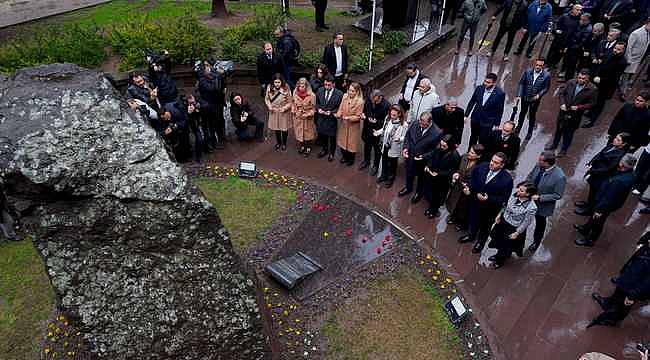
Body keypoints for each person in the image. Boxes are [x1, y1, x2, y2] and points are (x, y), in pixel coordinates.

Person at [589, 231, 650, 327]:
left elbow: (647, 283)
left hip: (639, 281)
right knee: (621, 287)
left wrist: (633, 295)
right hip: (640, 262)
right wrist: (642, 241)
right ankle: (609, 303)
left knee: (625, 303)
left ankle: (614, 320)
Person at [574, 154, 637, 247]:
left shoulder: (619, 181)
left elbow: (609, 198)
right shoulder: (629, 174)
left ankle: (591, 239)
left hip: (605, 205)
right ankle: (586, 229)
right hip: (608, 201)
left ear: (622, 164)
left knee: (598, 221)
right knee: (594, 217)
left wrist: (599, 210)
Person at [459, 152, 514, 253]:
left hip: (490, 209)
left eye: (496, 162)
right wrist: (469, 188)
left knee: (485, 227)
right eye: (492, 160)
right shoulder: (482, 166)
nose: (492, 163)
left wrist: (489, 198)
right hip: (475, 202)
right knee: (473, 220)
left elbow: (504, 199)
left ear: (502, 165)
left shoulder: (507, 180)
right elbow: (473, 179)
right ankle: (471, 235)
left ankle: (480, 242)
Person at [574, 132, 631, 216]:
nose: (615, 140)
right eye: (616, 138)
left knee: (595, 194)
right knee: (592, 191)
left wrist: (593, 170)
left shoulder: (620, 155)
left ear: (623, 144)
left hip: (601, 177)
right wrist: (591, 162)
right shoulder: (611, 145)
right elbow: (600, 154)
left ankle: (589, 210)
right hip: (595, 172)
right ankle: (588, 203)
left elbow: (608, 169)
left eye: (618, 140)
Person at [546, 70, 597, 157]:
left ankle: (564, 150)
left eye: (583, 79)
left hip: (575, 116)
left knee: (568, 133)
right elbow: (562, 94)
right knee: (559, 130)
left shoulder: (592, 89)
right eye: (579, 78)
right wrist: (562, 104)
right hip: (563, 112)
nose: (580, 80)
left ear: (588, 78)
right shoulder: (571, 82)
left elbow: (592, 104)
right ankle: (554, 145)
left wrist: (579, 107)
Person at [487, 182, 537, 268]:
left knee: (506, 245)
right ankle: (498, 254)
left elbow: (526, 222)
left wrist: (517, 233)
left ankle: (500, 261)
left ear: (527, 194)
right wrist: (499, 215)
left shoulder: (532, 207)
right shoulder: (514, 195)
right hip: (503, 222)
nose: (518, 191)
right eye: (519, 188)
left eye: (521, 190)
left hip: (512, 228)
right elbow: (505, 206)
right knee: (498, 240)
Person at [525, 151, 567, 252]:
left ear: (547, 163)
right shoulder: (538, 166)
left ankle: (536, 242)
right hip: (528, 199)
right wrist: (526, 188)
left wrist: (540, 198)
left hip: (542, 206)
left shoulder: (560, 177)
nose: (538, 161)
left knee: (540, 224)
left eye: (540, 160)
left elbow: (557, 195)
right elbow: (530, 176)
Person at [398, 112, 441, 203]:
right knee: (409, 173)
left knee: (421, 178)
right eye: (420, 122)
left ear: (430, 122)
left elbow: (435, 150)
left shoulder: (437, 133)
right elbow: (408, 137)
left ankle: (418, 193)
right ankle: (408, 188)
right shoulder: (415, 123)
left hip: (423, 161)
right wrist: (406, 148)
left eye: (423, 124)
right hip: (410, 156)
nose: (421, 125)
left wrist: (424, 156)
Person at [584, 41, 628, 128]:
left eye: (618, 49)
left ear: (623, 50)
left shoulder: (622, 62)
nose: (615, 50)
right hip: (598, 81)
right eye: (615, 48)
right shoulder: (609, 54)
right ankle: (590, 112)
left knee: (600, 103)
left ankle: (592, 120)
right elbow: (601, 65)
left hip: (606, 86)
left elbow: (614, 77)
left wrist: (601, 80)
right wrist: (596, 75)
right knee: (593, 98)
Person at [447, 144, 485, 231]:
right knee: (454, 202)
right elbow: (456, 168)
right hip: (458, 187)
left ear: (478, 156)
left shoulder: (480, 168)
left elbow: (479, 182)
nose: (469, 154)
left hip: (467, 191)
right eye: (470, 151)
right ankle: (453, 216)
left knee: (463, 208)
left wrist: (469, 187)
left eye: (472, 153)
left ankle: (461, 223)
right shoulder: (464, 157)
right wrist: (455, 173)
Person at [423, 135, 461, 218]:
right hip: (433, 176)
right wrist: (428, 166)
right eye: (441, 145)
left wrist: (439, 173)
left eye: (444, 146)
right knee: (431, 194)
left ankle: (434, 211)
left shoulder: (455, 156)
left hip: (443, 181)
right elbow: (431, 158)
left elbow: (452, 171)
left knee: (438, 197)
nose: (442, 147)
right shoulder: (438, 149)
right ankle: (430, 208)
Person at [465, 73, 506, 147]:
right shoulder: (479, 88)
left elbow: (499, 110)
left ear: (494, 83)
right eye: (485, 81)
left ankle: (479, 155)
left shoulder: (500, 94)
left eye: (488, 82)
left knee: (483, 140)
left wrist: (497, 124)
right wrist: (466, 115)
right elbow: (472, 101)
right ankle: (470, 153)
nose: (485, 84)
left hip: (487, 122)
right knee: (473, 137)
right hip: (475, 119)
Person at [515, 58, 551, 139]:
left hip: (535, 99)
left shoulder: (547, 75)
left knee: (532, 115)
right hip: (525, 97)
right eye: (537, 65)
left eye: (540, 65)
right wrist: (519, 94)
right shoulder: (527, 72)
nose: (538, 67)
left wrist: (539, 95)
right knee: (522, 113)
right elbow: (521, 83)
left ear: (543, 66)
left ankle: (530, 131)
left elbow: (546, 88)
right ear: (534, 64)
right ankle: (518, 127)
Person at [377, 105, 409, 188]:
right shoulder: (388, 119)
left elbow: (405, 136)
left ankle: (390, 179)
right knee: (384, 160)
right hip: (385, 145)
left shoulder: (403, 125)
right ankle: (383, 175)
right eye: (391, 114)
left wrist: (399, 139)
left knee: (392, 164)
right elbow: (384, 129)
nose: (392, 117)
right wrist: (378, 132)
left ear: (399, 114)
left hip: (394, 147)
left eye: (394, 115)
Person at [196, 60, 226, 149]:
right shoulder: (202, 80)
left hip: (216, 104)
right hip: (208, 106)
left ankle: (220, 138)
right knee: (209, 125)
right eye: (206, 67)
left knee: (217, 121)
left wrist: (222, 75)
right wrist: (218, 76)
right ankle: (210, 143)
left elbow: (221, 85)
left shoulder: (212, 75)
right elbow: (214, 89)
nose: (209, 68)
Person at [360, 89, 390, 174]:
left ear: (380, 97)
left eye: (375, 100)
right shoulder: (369, 100)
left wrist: (376, 121)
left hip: (377, 131)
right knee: (367, 146)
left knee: (377, 150)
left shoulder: (386, 105)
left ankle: (376, 165)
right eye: (372, 100)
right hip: (367, 128)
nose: (373, 102)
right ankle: (366, 161)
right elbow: (365, 111)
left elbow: (386, 121)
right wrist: (363, 115)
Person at [335, 82, 364, 166]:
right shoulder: (344, 96)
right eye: (349, 90)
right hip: (343, 124)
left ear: (357, 92)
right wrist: (339, 114)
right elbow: (341, 107)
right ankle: (344, 156)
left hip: (353, 127)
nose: (350, 92)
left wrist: (349, 118)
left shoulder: (360, 102)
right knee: (342, 142)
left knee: (351, 144)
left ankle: (350, 159)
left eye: (352, 91)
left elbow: (358, 116)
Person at [546, 5, 583, 70]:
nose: (579, 12)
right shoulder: (565, 16)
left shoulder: (579, 20)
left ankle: (554, 63)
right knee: (553, 51)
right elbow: (557, 24)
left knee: (561, 54)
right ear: (573, 9)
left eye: (580, 10)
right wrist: (556, 30)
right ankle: (548, 64)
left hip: (568, 41)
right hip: (559, 38)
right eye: (577, 10)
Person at [316, 76, 343, 161]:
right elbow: (317, 103)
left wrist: (331, 112)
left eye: (329, 85)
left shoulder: (339, 94)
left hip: (331, 119)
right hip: (321, 118)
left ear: (333, 84)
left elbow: (340, 107)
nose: (327, 87)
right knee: (323, 135)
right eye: (325, 84)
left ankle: (331, 153)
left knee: (332, 137)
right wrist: (318, 109)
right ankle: (324, 150)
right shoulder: (320, 90)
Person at [560, 13, 593, 82]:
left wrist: (571, 46)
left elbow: (582, 42)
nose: (581, 21)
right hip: (571, 46)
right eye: (581, 19)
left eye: (583, 20)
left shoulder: (588, 29)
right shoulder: (580, 25)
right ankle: (565, 76)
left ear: (588, 21)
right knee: (567, 62)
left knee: (572, 65)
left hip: (576, 50)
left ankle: (568, 80)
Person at [622, 18, 650, 97]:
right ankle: (623, 92)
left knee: (628, 75)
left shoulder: (648, 33)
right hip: (631, 59)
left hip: (638, 59)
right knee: (625, 76)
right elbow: (629, 47)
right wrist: (629, 59)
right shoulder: (636, 33)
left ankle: (624, 88)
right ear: (647, 23)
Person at [265, 74, 293, 152]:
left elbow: (290, 101)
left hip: (283, 111)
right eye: (275, 82)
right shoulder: (269, 87)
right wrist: (269, 106)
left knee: (284, 128)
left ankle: (284, 143)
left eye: (278, 82)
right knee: (276, 128)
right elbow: (267, 99)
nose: (277, 84)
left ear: (281, 82)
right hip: (274, 111)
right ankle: (278, 142)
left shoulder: (286, 88)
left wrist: (284, 108)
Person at [292, 78, 317, 156]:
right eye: (300, 86)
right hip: (298, 116)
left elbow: (314, 108)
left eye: (303, 86)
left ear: (306, 86)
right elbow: (293, 103)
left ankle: (308, 147)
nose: (301, 88)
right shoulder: (295, 93)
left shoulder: (312, 95)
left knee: (308, 133)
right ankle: (302, 146)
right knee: (299, 132)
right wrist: (294, 111)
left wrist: (308, 114)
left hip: (307, 117)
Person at [183, 94, 205, 162]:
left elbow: (202, 114)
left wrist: (196, 110)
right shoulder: (183, 107)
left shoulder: (197, 105)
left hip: (196, 126)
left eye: (193, 102)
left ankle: (199, 157)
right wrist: (189, 113)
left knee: (199, 140)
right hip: (188, 128)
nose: (191, 104)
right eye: (190, 103)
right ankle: (193, 157)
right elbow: (184, 120)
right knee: (192, 142)